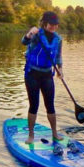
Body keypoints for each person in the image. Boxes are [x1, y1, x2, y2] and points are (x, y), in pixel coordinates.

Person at [22, 11, 63, 145]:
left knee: (50, 106)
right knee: (34, 105)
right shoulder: (36, 35)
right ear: (45, 23)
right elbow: (24, 42)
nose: (54, 27)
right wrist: (29, 34)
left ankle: (55, 134)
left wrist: (60, 69)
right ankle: (31, 135)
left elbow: (58, 56)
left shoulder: (58, 39)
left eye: (56, 24)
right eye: (51, 24)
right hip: (32, 74)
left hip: (47, 75)